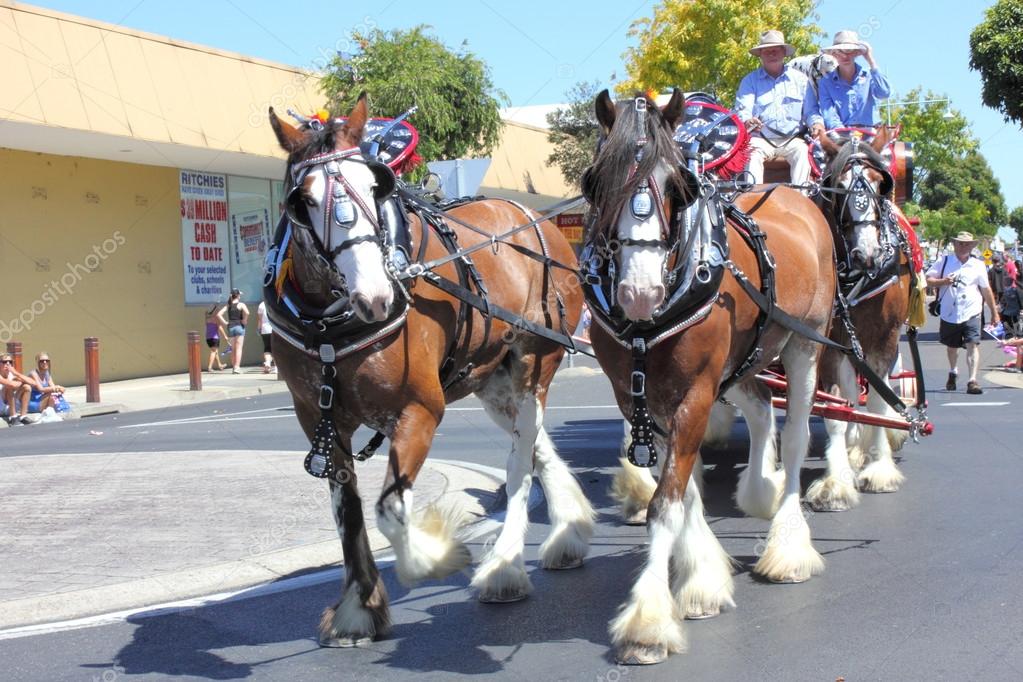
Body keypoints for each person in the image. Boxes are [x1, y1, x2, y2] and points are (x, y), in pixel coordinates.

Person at [734, 30, 826, 184]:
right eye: (767, 51)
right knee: (752, 152)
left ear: (784, 52)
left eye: (776, 50)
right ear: (760, 55)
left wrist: (817, 123)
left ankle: (800, 198)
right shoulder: (749, 81)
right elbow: (742, 111)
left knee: (803, 152)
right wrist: (748, 121)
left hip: (793, 140)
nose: (772, 54)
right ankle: (751, 197)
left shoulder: (801, 80)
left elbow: (811, 111)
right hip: (761, 139)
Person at [925, 232, 1001, 394]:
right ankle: (953, 371)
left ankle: (972, 380)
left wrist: (994, 313)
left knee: (972, 344)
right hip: (949, 312)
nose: (963, 246)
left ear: (972, 246)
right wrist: (943, 282)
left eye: (967, 244)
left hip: (972, 311)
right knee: (952, 347)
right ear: (954, 244)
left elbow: (986, 290)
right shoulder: (944, 261)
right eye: (960, 243)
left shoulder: (978, 265)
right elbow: (928, 280)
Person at [818, 30, 892, 130]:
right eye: (839, 51)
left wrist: (870, 59)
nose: (845, 56)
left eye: (849, 50)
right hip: (842, 133)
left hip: (870, 132)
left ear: (857, 53)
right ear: (833, 54)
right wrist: (842, 134)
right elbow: (829, 116)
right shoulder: (825, 83)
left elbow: (884, 93)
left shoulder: (869, 76)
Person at [26, 351, 68, 416]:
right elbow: (41, 389)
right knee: (52, 395)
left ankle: (55, 411)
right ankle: (56, 412)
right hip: (34, 402)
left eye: (47, 360)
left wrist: (59, 390)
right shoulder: (33, 374)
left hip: (43, 399)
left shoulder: (46, 373)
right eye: (42, 361)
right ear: (38, 362)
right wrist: (57, 387)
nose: (45, 362)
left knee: (55, 394)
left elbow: (52, 387)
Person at [218, 288, 249, 374]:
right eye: (239, 295)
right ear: (238, 295)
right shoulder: (241, 304)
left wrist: (225, 323)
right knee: (239, 348)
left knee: (233, 349)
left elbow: (219, 314)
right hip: (239, 326)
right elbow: (247, 312)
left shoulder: (228, 305)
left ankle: (233, 366)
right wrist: (244, 320)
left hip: (231, 327)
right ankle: (237, 367)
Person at [1, 353, 37, 425]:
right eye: (5, 362)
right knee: (9, 386)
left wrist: (16, 373)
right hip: (1, 408)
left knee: (27, 387)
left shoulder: (11, 375)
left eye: (10, 362)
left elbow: (34, 383)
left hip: (11, 405)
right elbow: (11, 384)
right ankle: (13, 417)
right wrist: (21, 382)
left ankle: (22, 416)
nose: (8, 364)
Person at [205, 303, 227, 372]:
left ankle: (220, 365)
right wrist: (225, 336)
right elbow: (220, 327)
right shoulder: (216, 318)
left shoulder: (207, 317)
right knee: (213, 351)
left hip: (208, 337)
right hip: (214, 337)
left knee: (215, 351)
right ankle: (209, 367)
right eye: (218, 309)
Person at [256, 300, 275, 374]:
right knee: (275, 348)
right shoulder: (274, 302)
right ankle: (276, 368)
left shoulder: (261, 305)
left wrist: (258, 329)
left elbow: (260, 320)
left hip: (265, 329)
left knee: (267, 348)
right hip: (274, 329)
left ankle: (267, 362)